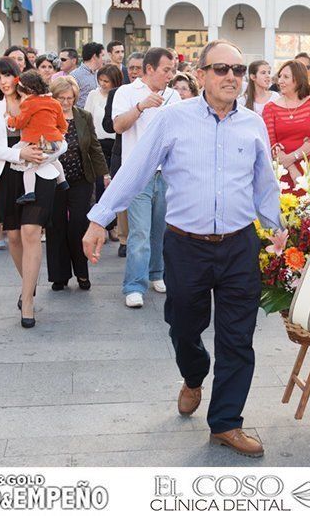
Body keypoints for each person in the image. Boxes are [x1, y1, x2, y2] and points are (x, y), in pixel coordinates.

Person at [84, 39, 280, 458]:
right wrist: (99, 218)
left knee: (238, 338)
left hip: (239, 246)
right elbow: (134, 171)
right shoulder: (173, 119)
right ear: (203, 74)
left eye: (238, 70)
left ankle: (226, 422)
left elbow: (265, 184)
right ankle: (194, 377)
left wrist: (279, 232)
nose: (231, 77)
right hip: (186, 246)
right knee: (184, 327)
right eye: (221, 69)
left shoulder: (253, 124)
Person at [0, 58, 52, 327]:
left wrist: (43, 153)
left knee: (31, 232)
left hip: (37, 172)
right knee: (13, 237)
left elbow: (57, 136)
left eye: (7, 75)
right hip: (6, 175)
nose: (3, 81)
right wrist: (18, 153)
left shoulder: (38, 99)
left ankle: (28, 301)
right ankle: (28, 284)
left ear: (17, 76)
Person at [108, 47, 180, 308]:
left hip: (167, 173)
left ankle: (156, 273)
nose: (170, 75)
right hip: (138, 172)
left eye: (172, 70)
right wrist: (141, 106)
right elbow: (117, 126)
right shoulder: (126, 92)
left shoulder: (174, 95)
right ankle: (134, 285)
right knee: (139, 231)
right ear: (150, 69)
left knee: (161, 229)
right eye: (166, 70)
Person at [45, 76, 108, 292]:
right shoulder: (47, 117)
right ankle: (59, 276)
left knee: (78, 225)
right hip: (52, 179)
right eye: (61, 98)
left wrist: (105, 174)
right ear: (54, 97)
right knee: (55, 226)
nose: (65, 102)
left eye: (69, 98)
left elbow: (94, 147)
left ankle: (82, 272)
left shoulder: (84, 116)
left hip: (81, 178)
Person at [102, 52, 144, 257]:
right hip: (122, 151)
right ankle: (124, 239)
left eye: (139, 67)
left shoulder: (158, 93)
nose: (135, 71)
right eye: (132, 67)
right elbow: (108, 125)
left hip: (146, 154)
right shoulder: (117, 93)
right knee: (124, 197)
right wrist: (128, 117)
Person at [6, 71, 69, 205]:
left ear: (26, 90)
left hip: (39, 142)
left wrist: (8, 120)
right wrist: (60, 135)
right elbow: (63, 124)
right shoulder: (54, 102)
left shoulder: (29, 103)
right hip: (57, 140)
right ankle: (62, 181)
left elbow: (20, 123)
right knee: (54, 160)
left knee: (29, 166)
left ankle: (29, 192)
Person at [262, 60, 310, 192]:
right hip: (282, 172)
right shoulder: (270, 108)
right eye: (279, 76)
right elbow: (271, 143)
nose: (280, 81)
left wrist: (291, 158)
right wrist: (291, 168)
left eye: (286, 77)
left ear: (298, 79)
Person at [85, 64, 122, 202]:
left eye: (106, 81)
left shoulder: (120, 95)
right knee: (100, 183)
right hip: (97, 144)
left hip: (116, 145)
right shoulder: (93, 95)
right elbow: (87, 119)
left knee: (115, 182)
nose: (102, 84)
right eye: (100, 80)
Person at [71, 42, 106, 107]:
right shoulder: (75, 76)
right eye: (102, 55)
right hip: (83, 115)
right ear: (95, 56)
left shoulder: (101, 74)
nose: (104, 59)